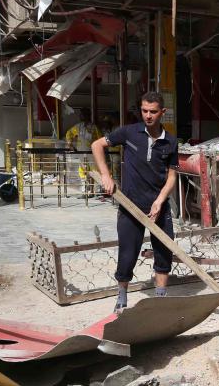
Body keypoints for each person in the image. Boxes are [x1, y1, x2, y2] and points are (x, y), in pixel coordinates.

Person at [92, 92, 178, 312]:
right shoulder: (129, 132)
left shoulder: (171, 141)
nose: (148, 116)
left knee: (163, 251)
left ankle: (160, 298)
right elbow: (97, 145)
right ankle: (121, 297)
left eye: (153, 111)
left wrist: (160, 200)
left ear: (163, 113)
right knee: (128, 254)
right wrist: (105, 175)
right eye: (144, 111)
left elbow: (172, 176)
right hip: (130, 207)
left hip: (159, 207)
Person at [65, 108, 102, 197]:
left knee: (94, 171)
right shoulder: (78, 126)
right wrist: (70, 144)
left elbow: (100, 138)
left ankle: (95, 191)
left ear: (88, 115)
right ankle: (85, 191)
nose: (81, 116)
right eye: (81, 114)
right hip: (81, 152)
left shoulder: (94, 127)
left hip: (92, 153)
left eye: (83, 114)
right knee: (83, 171)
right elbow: (68, 133)